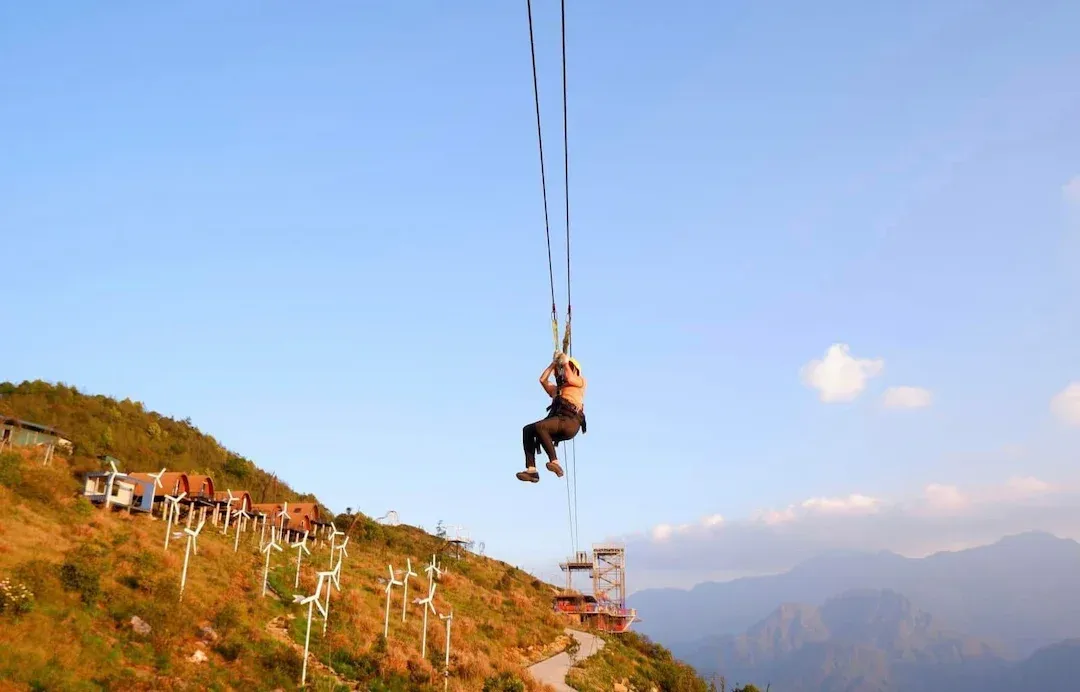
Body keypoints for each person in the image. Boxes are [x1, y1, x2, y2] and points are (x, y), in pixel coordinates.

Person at [517, 351, 587, 483]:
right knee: (528, 430)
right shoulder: (557, 390)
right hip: (558, 422)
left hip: (570, 422)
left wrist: (565, 362)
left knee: (540, 426)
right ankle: (531, 471)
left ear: (575, 370)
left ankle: (555, 462)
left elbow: (570, 378)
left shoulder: (580, 382)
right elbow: (542, 380)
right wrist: (554, 364)